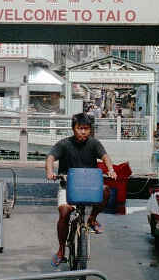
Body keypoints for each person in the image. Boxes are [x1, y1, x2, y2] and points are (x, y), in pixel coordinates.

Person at [45, 112, 116, 266]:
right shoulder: (64, 144)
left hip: (89, 185)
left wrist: (110, 169)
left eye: (86, 128)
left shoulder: (94, 144)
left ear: (90, 130)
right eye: (79, 128)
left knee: (105, 191)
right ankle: (61, 249)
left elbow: (105, 157)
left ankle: (92, 219)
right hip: (68, 186)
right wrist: (50, 171)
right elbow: (51, 157)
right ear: (73, 128)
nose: (83, 131)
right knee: (64, 212)